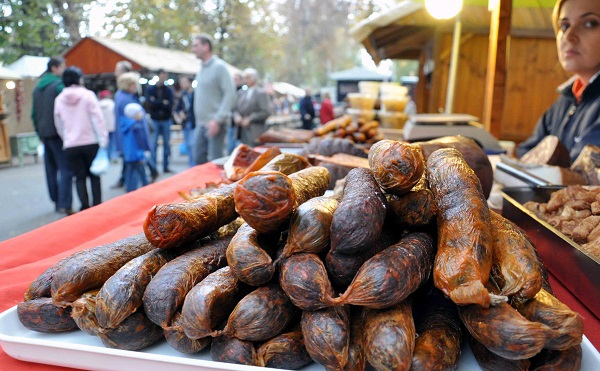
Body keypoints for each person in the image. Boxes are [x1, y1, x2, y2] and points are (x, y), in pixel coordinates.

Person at [517, 0, 600, 162]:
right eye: (564, 26)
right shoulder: (565, 100)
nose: (569, 36)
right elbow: (526, 152)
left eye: (590, 23)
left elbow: (586, 165)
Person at [53, 67, 108, 211]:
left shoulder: (59, 99)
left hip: (71, 144)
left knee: (79, 177)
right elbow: (98, 118)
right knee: (95, 175)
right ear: (79, 78)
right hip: (90, 141)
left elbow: (58, 124)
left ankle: (84, 207)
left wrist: (66, 138)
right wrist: (103, 138)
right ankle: (98, 205)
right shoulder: (88, 95)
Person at [31, 56, 74, 215]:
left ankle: (56, 201)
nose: (64, 70)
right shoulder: (58, 86)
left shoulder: (36, 89)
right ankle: (65, 203)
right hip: (58, 133)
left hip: (44, 134)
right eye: (63, 66)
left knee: (50, 170)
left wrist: (39, 132)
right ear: (55, 68)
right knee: (66, 168)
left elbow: (33, 114)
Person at [191, 33, 236, 164]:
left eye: (196, 46)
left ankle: (219, 186)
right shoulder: (201, 69)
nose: (193, 49)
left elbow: (231, 94)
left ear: (206, 46)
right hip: (201, 123)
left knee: (216, 162)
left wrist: (218, 119)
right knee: (199, 160)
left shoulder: (219, 67)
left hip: (216, 123)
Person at [112, 61, 158, 188]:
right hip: (134, 144)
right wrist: (143, 145)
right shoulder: (128, 100)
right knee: (138, 173)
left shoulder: (121, 97)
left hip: (129, 143)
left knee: (134, 172)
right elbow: (137, 125)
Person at [145, 69, 174, 173]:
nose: (163, 78)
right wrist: (163, 103)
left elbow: (170, 105)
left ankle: (165, 167)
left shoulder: (169, 90)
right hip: (155, 120)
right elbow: (149, 103)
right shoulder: (150, 89)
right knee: (153, 144)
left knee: (167, 144)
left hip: (166, 119)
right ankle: (154, 168)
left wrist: (156, 102)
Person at [233, 68, 270, 147]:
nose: (246, 80)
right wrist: (237, 117)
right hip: (242, 133)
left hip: (255, 133)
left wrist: (250, 118)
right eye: (245, 78)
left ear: (255, 78)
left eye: (248, 77)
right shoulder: (241, 93)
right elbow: (235, 109)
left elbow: (266, 112)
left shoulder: (261, 93)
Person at [122, 103, 152, 191]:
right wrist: (143, 154)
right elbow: (140, 142)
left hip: (128, 155)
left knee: (130, 174)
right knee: (143, 175)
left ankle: (129, 190)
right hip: (138, 155)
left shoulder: (125, 124)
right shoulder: (138, 127)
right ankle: (147, 190)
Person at [173, 76, 195, 167]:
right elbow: (177, 109)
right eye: (181, 82)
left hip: (194, 123)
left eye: (184, 82)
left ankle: (194, 166)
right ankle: (191, 165)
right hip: (185, 123)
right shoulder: (183, 95)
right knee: (188, 145)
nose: (183, 84)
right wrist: (180, 114)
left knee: (193, 145)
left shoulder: (195, 94)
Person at [227, 72, 244, 154]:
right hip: (230, 124)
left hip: (239, 125)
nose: (234, 81)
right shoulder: (229, 91)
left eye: (236, 79)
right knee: (230, 147)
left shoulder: (244, 92)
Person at [98, 90, 117, 161]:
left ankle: (105, 157)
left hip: (102, 127)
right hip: (112, 126)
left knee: (103, 143)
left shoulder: (98, 104)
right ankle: (113, 156)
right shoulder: (112, 104)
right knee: (112, 142)